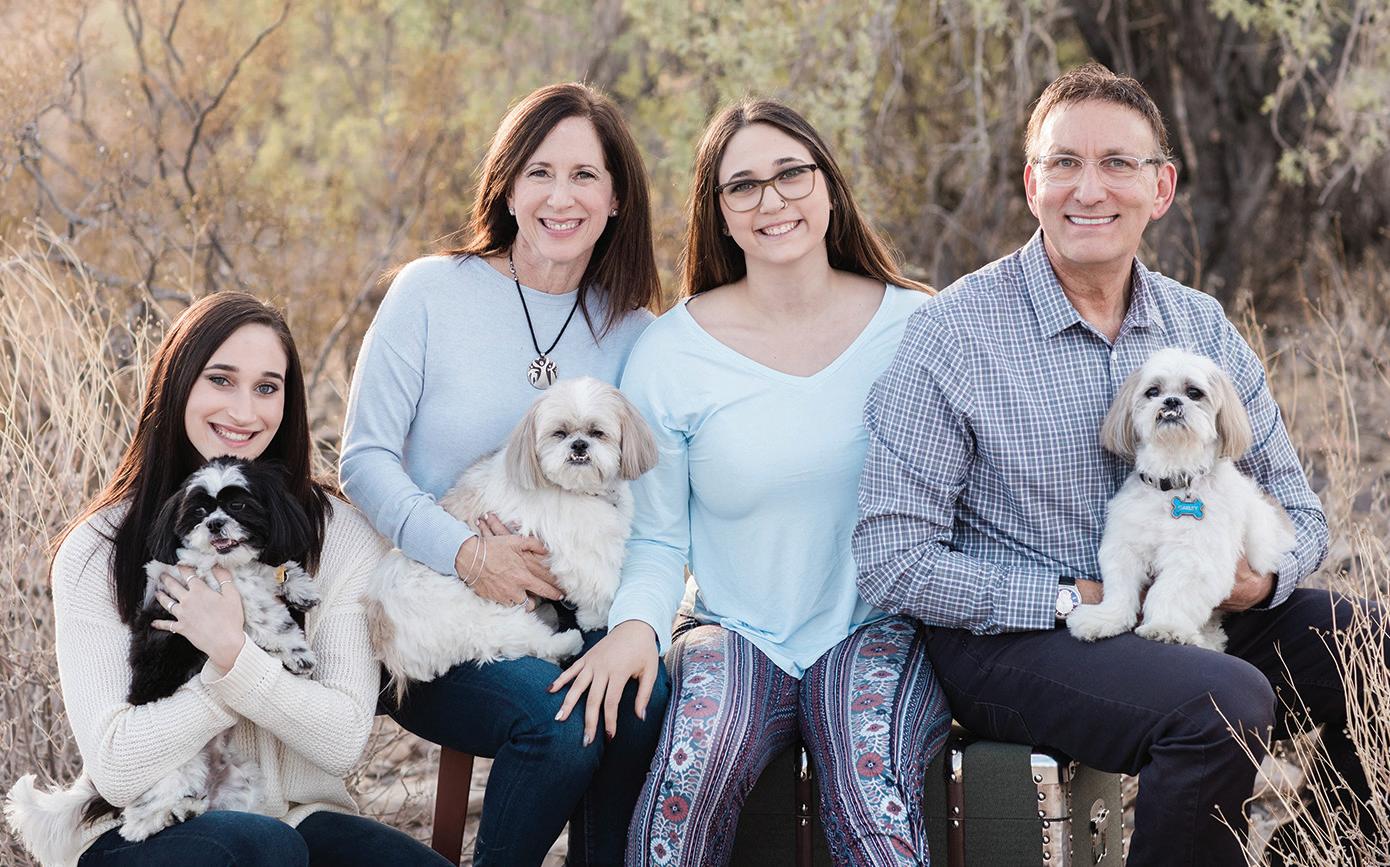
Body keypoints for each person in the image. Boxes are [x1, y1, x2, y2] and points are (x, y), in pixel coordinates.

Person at [852, 62, 1376, 866]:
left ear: (1160, 188)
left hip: (1193, 600)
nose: (1088, 189)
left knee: (1366, 649)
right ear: (1032, 184)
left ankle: (1311, 853)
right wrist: (1070, 595)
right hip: (1018, 636)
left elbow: (1300, 512)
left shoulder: (1200, 325)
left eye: (1117, 163)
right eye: (1064, 162)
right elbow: (892, 559)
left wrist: (1257, 580)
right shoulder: (951, 335)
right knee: (1220, 703)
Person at [557, 98, 950, 866]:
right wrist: (635, 626)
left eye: (791, 174)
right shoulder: (672, 353)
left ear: (828, 186)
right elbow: (657, 535)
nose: (772, 200)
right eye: (743, 186)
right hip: (734, 632)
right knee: (690, 775)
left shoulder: (917, 326)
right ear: (719, 213)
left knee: (868, 783)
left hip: (881, 626)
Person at [339, 82, 669, 865]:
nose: (561, 196)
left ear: (617, 197)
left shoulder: (635, 329)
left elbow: (654, 497)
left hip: (577, 599)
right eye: (539, 172)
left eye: (584, 175)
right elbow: (364, 459)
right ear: (508, 187)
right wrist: (465, 552)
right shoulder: (430, 291)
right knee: (555, 724)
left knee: (644, 700)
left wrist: (637, 622)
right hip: (429, 609)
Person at [39, 292, 447, 866]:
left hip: (299, 816)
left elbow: (342, 739)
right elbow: (116, 766)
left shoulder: (342, 535)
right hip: (148, 822)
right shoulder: (96, 547)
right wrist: (218, 677)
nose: (244, 412)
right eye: (221, 380)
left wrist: (235, 653)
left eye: (266, 388)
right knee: (260, 846)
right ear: (177, 385)